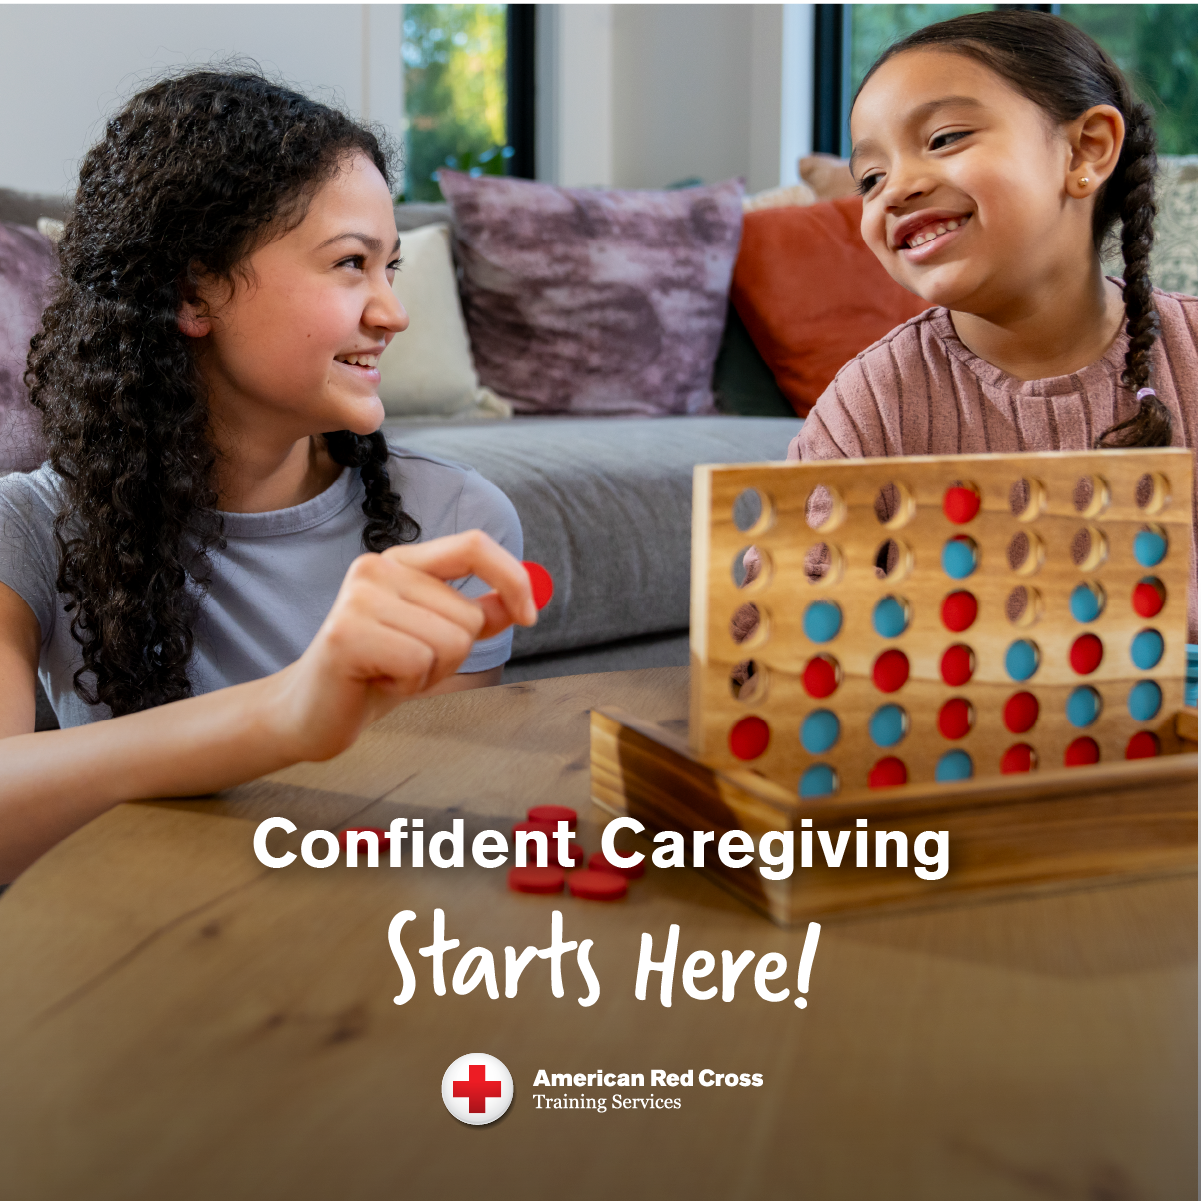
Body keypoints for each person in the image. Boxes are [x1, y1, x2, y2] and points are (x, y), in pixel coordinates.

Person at [0, 71, 537, 883]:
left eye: (390, 267)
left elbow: (421, 848)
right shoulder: (31, 527)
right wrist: (286, 711)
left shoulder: (454, 524)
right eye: (351, 263)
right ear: (192, 292)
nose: (392, 311)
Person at [788, 10, 1197, 637]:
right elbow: (769, 637)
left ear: (1087, 149)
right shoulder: (870, 404)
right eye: (870, 178)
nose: (895, 189)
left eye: (945, 138)